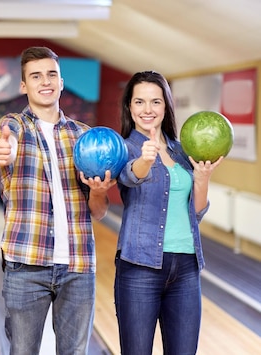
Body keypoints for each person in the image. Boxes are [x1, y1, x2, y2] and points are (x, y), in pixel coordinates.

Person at [0, 46, 116, 355]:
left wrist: (99, 191)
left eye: (51, 75)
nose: (45, 82)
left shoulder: (84, 137)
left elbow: (97, 212)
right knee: (23, 351)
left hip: (77, 265)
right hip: (26, 264)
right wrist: (3, 150)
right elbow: (6, 143)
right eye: (35, 76)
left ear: (61, 82)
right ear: (24, 86)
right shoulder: (12, 127)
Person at [115, 71, 223, 354]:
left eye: (155, 102)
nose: (147, 110)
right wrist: (145, 161)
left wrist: (203, 177)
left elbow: (195, 213)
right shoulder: (124, 148)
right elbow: (128, 178)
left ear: (166, 106)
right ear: (129, 107)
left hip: (186, 267)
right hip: (140, 267)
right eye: (139, 102)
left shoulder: (181, 150)